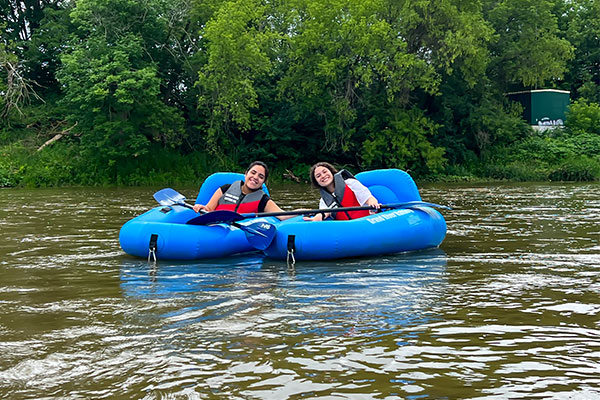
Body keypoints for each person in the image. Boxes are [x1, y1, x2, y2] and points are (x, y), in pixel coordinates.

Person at [193, 161, 293, 220]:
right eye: (253, 173)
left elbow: (283, 215)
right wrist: (201, 207)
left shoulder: (263, 200)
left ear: (263, 182)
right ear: (246, 174)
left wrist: (305, 212)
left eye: (260, 176)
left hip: (237, 234)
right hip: (215, 226)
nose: (255, 177)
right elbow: (209, 209)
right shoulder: (225, 188)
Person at [304, 162, 380, 221]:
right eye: (318, 176)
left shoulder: (350, 183)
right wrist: (318, 217)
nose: (323, 176)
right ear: (317, 182)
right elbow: (324, 213)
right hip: (346, 228)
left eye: (325, 172)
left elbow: (369, 198)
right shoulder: (324, 200)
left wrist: (373, 204)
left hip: (365, 220)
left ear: (331, 172)